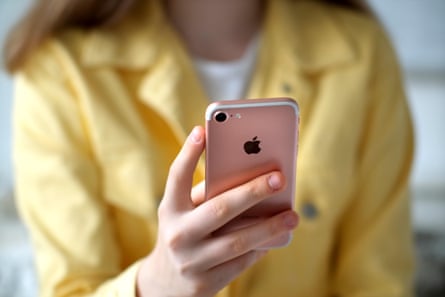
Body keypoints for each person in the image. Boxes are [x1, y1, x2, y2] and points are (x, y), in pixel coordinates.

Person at [3, 0, 415, 296]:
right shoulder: (60, 71)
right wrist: (156, 286)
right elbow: (72, 287)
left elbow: (377, 281)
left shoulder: (361, 54)